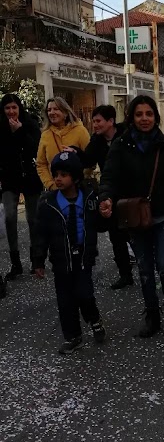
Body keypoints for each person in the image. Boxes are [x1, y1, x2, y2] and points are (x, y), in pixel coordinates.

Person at [99, 95, 164, 338]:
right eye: (139, 114)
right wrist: (106, 198)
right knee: (144, 268)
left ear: (156, 117)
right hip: (134, 216)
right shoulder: (120, 145)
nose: (144, 119)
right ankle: (152, 314)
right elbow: (109, 177)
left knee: (163, 266)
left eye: (149, 114)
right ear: (131, 117)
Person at [34, 151, 106, 355]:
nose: (58, 178)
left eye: (64, 175)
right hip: (60, 259)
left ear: (75, 177)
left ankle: (94, 319)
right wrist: (38, 260)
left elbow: (100, 225)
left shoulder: (90, 197)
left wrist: (105, 215)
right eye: (56, 174)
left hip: (84, 256)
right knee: (65, 300)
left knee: (84, 294)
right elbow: (40, 234)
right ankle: (73, 336)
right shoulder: (48, 203)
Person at [79, 104, 133, 290]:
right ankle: (125, 274)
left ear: (110, 121)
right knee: (116, 236)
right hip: (110, 192)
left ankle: (147, 269)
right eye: (93, 121)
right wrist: (74, 152)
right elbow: (87, 160)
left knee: (135, 233)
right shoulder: (97, 141)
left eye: (98, 121)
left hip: (132, 192)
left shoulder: (127, 134)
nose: (95, 125)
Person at [0, 93, 43, 279]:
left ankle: (36, 260)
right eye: (7, 108)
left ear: (20, 108)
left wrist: (19, 131)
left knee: (33, 219)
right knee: (10, 217)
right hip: (9, 178)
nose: (11, 112)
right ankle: (15, 262)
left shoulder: (30, 123)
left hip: (30, 177)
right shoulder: (0, 126)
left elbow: (36, 148)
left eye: (14, 107)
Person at [36, 97, 91, 191]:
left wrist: (77, 181)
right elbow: (41, 164)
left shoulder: (80, 131)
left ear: (65, 112)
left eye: (56, 109)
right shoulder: (45, 135)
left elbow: (90, 160)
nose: (52, 112)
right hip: (55, 191)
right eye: (49, 110)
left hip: (78, 189)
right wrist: (50, 185)